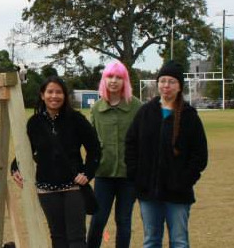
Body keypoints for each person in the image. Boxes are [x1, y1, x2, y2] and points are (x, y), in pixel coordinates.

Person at [125, 61, 208, 248]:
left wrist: (185, 180)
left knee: (179, 241)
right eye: (163, 81)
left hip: (178, 194)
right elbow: (131, 144)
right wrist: (136, 176)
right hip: (148, 191)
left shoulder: (189, 116)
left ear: (179, 86)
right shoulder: (145, 112)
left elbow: (200, 155)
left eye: (171, 81)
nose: (166, 85)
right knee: (151, 240)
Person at [11, 76, 101, 248]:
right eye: (50, 92)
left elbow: (95, 149)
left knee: (76, 239)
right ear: (42, 95)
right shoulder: (34, 123)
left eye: (58, 92)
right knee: (58, 237)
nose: (54, 96)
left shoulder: (77, 120)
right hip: (46, 189)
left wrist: (87, 173)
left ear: (65, 95)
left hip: (73, 187)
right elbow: (25, 151)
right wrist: (14, 168)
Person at [86, 62, 142, 248]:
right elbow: (90, 141)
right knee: (98, 219)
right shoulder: (96, 109)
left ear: (125, 81)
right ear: (104, 80)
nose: (114, 81)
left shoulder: (137, 107)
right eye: (110, 77)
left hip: (129, 175)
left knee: (123, 221)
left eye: (119, 77)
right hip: (104, 173)